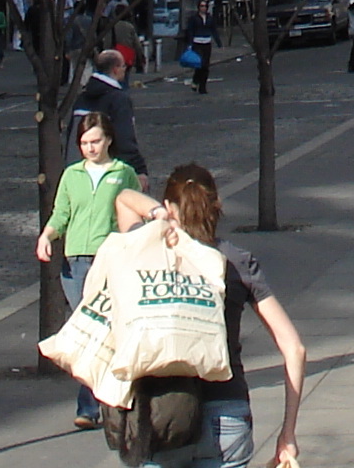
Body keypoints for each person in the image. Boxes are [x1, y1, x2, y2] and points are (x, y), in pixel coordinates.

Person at [110, 166, 305, 468]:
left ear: (170, 207)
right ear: (217, 206)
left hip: (164, 413)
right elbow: (294, 348)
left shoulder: (151, 255)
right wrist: (287, 432)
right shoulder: (237, 262)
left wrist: (157, 215)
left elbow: (123, 199)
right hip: (227, 413)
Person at [38, 112, 140, 427]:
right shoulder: (72, 175)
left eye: (95, 141)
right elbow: (61, 214)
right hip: (75, 261)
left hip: (109, 258)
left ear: (108, 139)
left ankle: (97, 404)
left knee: (109, 329)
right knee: (88, 330)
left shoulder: (124, 173)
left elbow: (136, 214)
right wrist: (46, 236)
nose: (90, 148)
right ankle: (93, 402)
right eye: (84, 143)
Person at [70, 49, 147, 169]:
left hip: (80, 168)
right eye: (123, 65)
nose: (125, 69)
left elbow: (72, 136)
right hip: (110, 168)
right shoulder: (119, 99)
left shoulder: (82, 98)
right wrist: (139, 168)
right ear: (115, 69)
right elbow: (125, 139)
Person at [184, 0, 216, 96]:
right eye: (201, 6)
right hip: (197, 43)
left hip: (207, 42)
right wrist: (190, 43)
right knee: (199, 64)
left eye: (205, 6)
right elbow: (190, 31)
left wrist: (219, 42)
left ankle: (203, 87)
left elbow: (213, 30)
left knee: (205, 66)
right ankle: (195, 81)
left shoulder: (210, 18)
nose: (203, 8)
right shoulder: (194, 18)